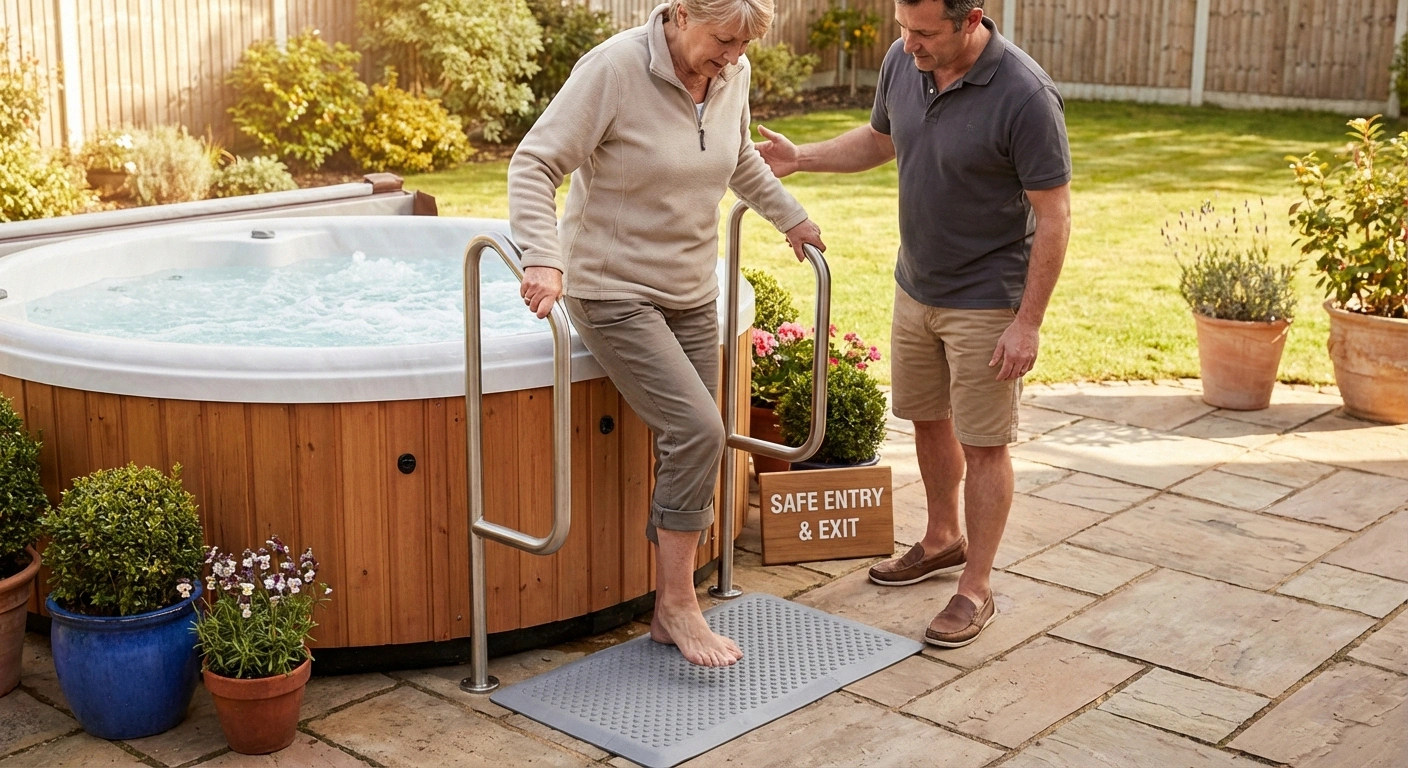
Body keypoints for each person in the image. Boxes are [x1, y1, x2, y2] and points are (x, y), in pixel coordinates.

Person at [509, 0, 826, 667]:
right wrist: (543, 255)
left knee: (696, 439)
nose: (734, 56)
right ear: (681, 14)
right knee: (701, 430)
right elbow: (535, 163)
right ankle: (678, 606)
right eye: (724, 40)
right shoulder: (614, 70)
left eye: (745, 45)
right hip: (613, 289)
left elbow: (738, 156)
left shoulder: (728, 73)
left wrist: (790, 218)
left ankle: (671, 606)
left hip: (690, 290)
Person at [756, 0, 1071, 648]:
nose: (909, 43)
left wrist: (1028, 322)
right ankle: (940, 538)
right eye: (903, 27)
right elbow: (881, 138)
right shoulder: (904, 62)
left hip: (986, 296)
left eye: (924, 32)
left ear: (971, 19)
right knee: (928, 418)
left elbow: (1056, 216)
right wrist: (803, 157)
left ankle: (975, 587)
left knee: (984, 443)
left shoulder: (1025, 95)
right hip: (915, 284)